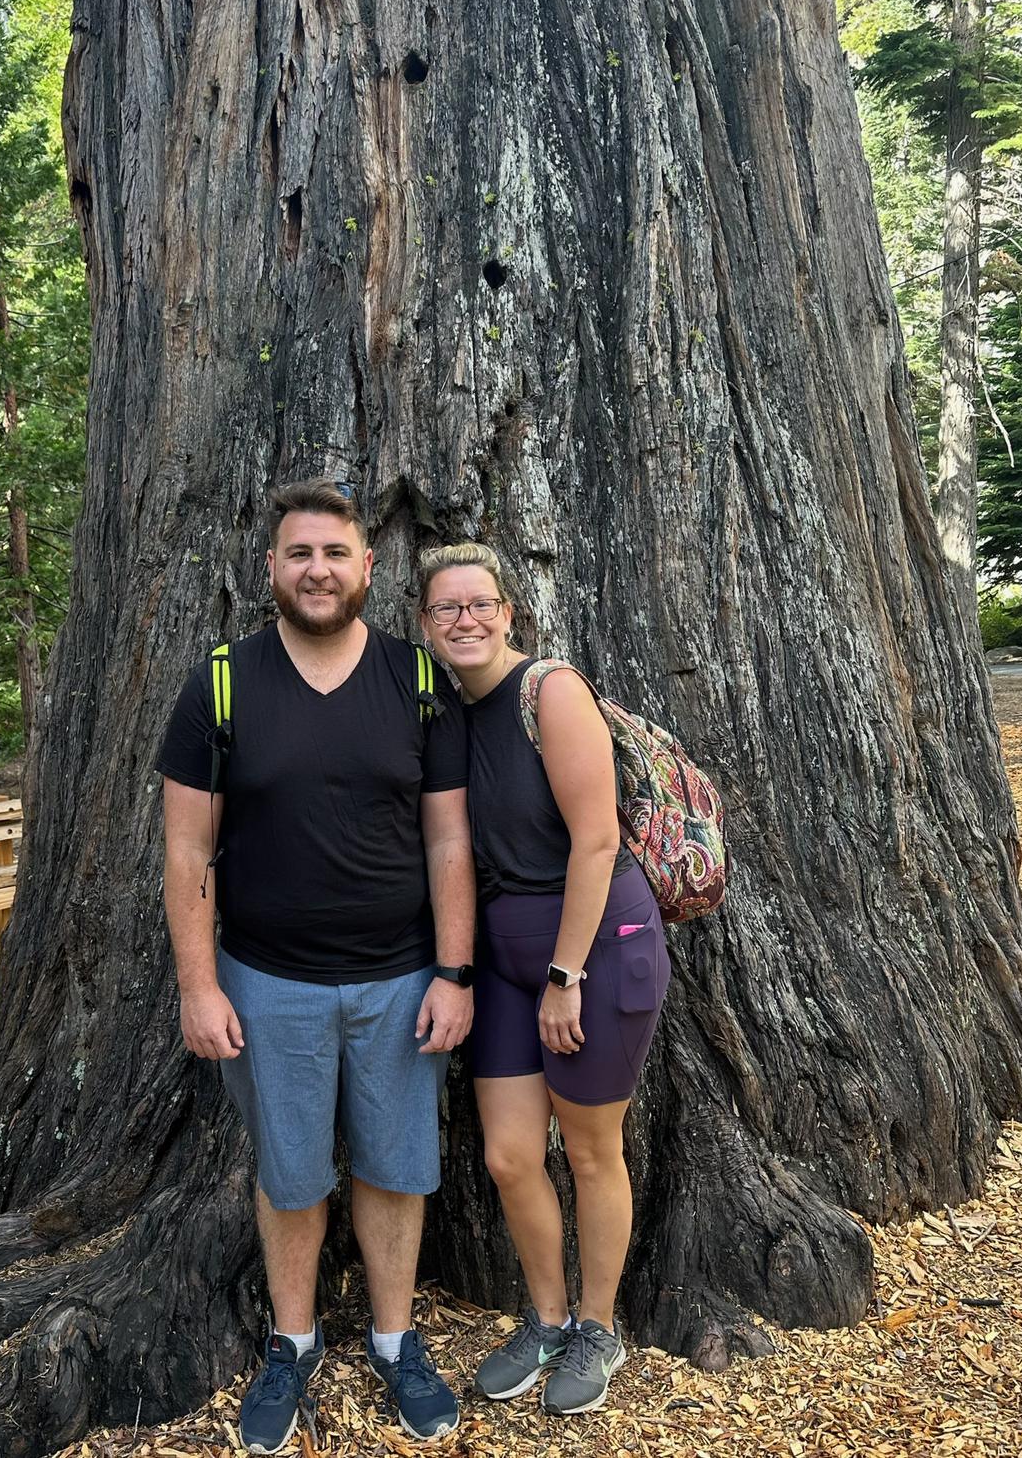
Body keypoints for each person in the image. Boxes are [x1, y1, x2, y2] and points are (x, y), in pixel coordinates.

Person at [157, 481, 476, 1453]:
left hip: (401, 980)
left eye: (336, 553)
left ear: (367, 569)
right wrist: (199, 984)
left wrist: (455, 974)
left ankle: (393, 1340)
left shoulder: (416, 684)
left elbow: (450, 843)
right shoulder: (222, 681)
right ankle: (291, 1345)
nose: (318, 570)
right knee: (292, 1176)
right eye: (299, 553)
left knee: (395, 1167)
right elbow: (182, 851)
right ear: (271, 570)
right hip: (267, 984)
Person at [416, 541, 670, 1416]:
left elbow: (597, 840)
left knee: (593, 1149)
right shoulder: (449, 713)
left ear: (508, 612)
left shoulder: (549, 692)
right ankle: (549, 1316)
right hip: (503, 954)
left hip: (596, 941)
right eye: (446, 609)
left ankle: (600, 1327)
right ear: (423, 624)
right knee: (512, 1155)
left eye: (480, 604)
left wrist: (567, 973)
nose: (466, 621)